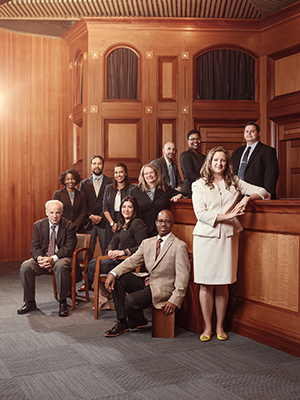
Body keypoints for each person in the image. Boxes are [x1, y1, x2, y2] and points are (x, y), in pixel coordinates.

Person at [192, 146, 268, 341]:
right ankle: (207, 327)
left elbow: (263, 191)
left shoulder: (234, 182)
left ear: (227, 163)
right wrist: (229, 215)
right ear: (209, 162)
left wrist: (247, 199)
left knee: (223, 284)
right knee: (206, 285)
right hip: (205, 238)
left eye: (223, 160)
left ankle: (220, 326)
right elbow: (200, 214)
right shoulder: (199, 184)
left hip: (227, 238)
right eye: (216, 160)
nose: (219, 164)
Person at [104, 210, 191, 337]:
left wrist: (175, 299)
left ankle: (138, 321)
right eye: (160, 221)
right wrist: (113, 273)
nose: (163, 224)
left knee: (130, 301)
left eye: (167, 222)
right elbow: (132, 261)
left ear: (172, 224)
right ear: (156, 223)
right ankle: (122, 322)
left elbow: (183, 276)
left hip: (162, 287)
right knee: (118, 279)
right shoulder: (147, 243)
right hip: (147, 281)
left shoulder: (179, 246)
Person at [86, 195, 148, 309]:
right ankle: (106, 296)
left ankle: (106, 296)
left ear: (135, 209)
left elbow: (143, 247)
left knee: (94, 265)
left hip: (127, 261)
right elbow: (112, 242)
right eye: (124, 206)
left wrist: (123, 252)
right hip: (116, 259)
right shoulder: (121, 223)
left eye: (130, 207)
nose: (126, 210)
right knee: (93, 263)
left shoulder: (138, 223)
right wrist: (110, 250)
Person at [17, 200, 77, 317]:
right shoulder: (38, 225)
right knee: (26, 266)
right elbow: (35, 247)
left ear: (62, 212)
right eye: (52, 212)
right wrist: (40, 258)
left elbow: (68, 248)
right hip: (44, 258)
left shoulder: (70, 226)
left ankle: (62, 302)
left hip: (61, 258)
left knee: (60, 266)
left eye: (58, 212)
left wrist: (52, 258)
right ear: (46, 212)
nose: (55, 216)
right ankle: (30, 302)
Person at [129, 164, 182, 237]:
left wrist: (179, 195)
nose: (149, 175)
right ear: (143, 176)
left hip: (161, 229)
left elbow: (178, 194)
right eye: (146, 173)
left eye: (151, 172)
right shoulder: (134, 191)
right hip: (141, 230)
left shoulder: (164, 188)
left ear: (156, 174)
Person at [231, 122, 279, 199]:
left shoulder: (268, 151)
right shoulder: (237, 151)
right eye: (247, 131)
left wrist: (268, 192)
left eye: (252, 131)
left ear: (258, 133)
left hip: (257, 194)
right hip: (237, 194)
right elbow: (231, 171)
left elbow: (271, 173)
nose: (249, 133)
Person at [79, 155, 113, 257]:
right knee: (87, 253)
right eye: (94, 163)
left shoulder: (111, 182)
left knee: (106, 252)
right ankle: (88, 273)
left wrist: (101, 217)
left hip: (105, 222)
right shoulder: (84, 184)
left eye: (99, 163)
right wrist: (91, 216)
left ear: (103, 165)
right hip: (89, 223)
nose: (96, 166)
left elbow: (110, 202)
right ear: (91, 166)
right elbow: (82, 203)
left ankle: (106, 273)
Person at [103, 163, 134, 249]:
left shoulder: (132, 188)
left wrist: (122, 225)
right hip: (111, 222)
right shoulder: (108, 188)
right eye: (116, 172)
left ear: (126, 173)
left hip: (127, 222)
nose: (118, 175)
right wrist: (112, 223)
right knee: (109, 249)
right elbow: (105, 207)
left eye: (121, 172)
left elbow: (133, 208)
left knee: (122, 248)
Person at [179, 129, 206, 198]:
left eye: (198, 139)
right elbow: (189, 174)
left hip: (203, 190)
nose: (195, 141)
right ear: (188, 141)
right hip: (189, 191)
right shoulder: (185, 155)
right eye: (192, 139)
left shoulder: (204, 157)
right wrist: (206, 180)